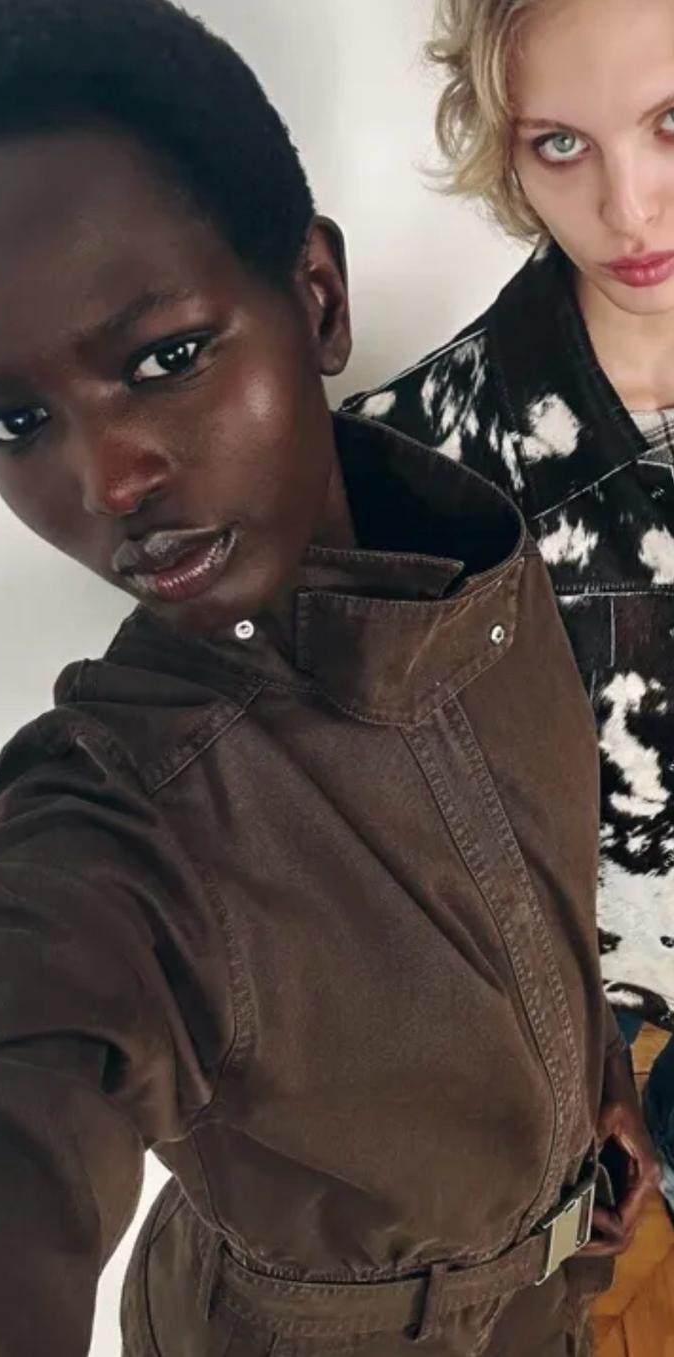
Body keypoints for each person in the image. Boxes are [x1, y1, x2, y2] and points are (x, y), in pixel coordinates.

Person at [0, 1, 655, 1355]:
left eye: (165, 359)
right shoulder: (115, 810)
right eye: (14, 421)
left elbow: (535, 897)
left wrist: (596, 1091)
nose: (106, 481)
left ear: (318, 299)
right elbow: (10, 1049)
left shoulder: (481, 555)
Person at [346, 0, 674, 1216]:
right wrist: (574, 1051)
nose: (629, 209)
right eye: (563, 144)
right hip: (576, 996)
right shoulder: (414, 468)